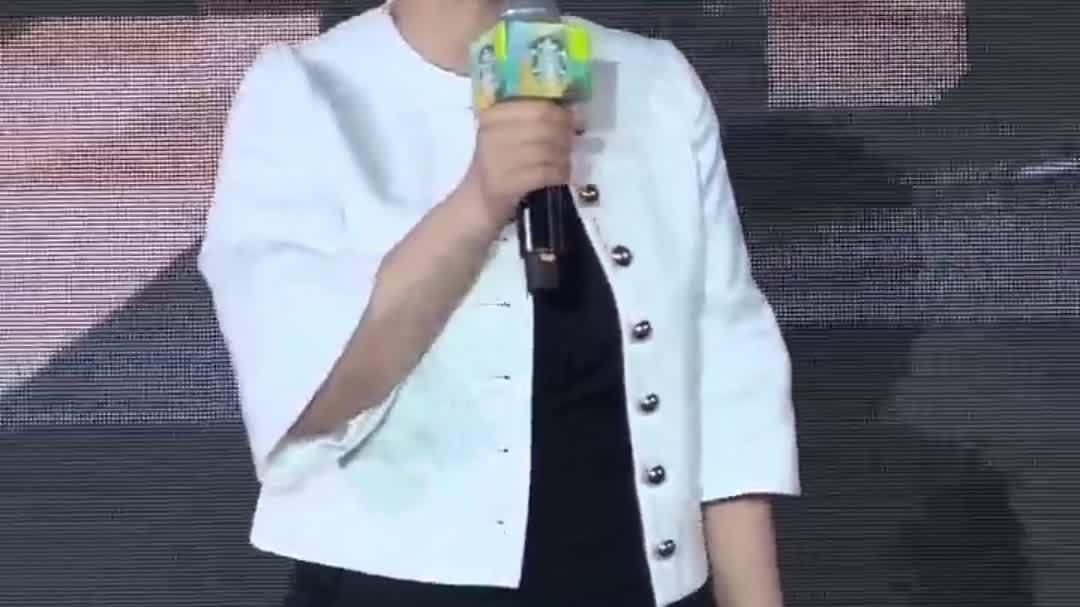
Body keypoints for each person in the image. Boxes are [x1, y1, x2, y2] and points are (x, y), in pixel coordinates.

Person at [197, 1, 799, 605]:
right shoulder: (305, 91)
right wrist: (481, 201)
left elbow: (730, 383)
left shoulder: (655, 80)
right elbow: (310, 398)